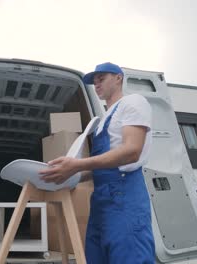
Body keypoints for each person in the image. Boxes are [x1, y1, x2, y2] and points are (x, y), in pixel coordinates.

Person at [40, 62, 155, 263]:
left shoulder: (133, 103)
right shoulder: (101, 121)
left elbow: (131, 151)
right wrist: (68, 175)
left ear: (118, 78)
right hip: (101, 200)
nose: (97, 84)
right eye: (94, 82)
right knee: (96, 256)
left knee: (129, 255)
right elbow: (101, 166)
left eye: (101, 79)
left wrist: (77, 165)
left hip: (124, 195)